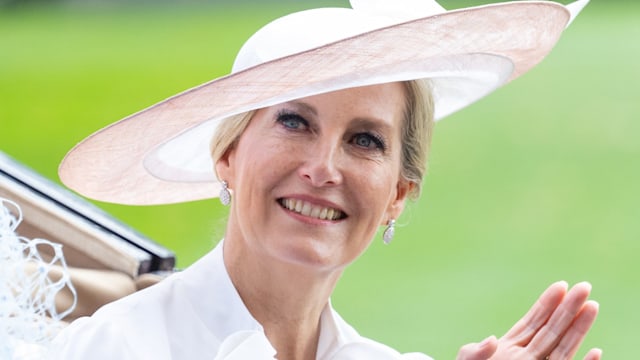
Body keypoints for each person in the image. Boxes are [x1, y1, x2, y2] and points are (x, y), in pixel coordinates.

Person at [49, 0, 601, 359]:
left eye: (365, 140)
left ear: (397, 196)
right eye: (294, 122)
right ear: (228, 157)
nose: (323, 168)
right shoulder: (113, 347)